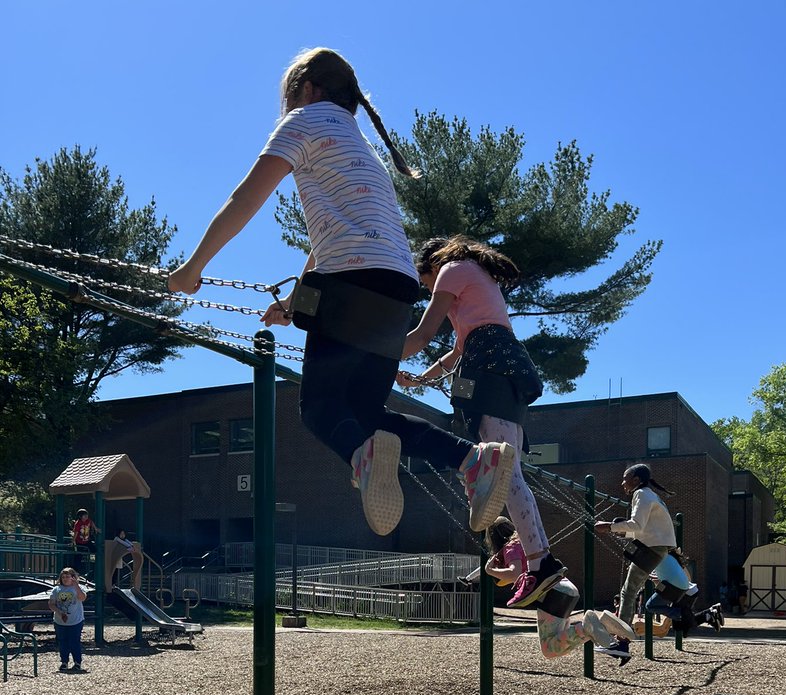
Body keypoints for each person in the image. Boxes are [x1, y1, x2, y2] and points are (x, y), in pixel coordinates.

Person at [167, 47, 514, 538]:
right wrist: (294, 304)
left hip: (351, 281)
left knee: (321, 409)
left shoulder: (304, 121)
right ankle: (473, 460)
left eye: (288, 98)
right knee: (369, 414)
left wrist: (192, 267)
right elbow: (330, 242)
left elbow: (245, 198)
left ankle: (363, 458)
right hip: (396, 287)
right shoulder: (359, 144)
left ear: (308, 90)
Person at [398, 235, 564, 608]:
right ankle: (539, 559)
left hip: (492, 374)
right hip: (504, 371)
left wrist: (378, 354)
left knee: (504, 472)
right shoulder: (473, 280)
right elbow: (456, 351)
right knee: (509, 472)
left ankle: (540, 561)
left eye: (425, 283)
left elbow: (423, 333)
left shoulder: (453, 271)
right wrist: (419, 378)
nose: (429, 290)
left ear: (431, 267)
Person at [483, 517, 632, 661]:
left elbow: (513, 573)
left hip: (551, 594)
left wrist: (489, 570)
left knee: (550, 649)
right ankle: (601, 621)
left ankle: (589, 625)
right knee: (561, 640)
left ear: (494, 539)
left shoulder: (510, 548)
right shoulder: (526, 542)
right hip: (564, 587)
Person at [594, 463, 678, 665]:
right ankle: (621, 640)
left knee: (628, 592)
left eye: (626, 478)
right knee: (630, 591)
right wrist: (619, 531)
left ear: (637, 480)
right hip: (658, 547)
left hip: (652, 549)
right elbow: (642, 528)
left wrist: (610, 526)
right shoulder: (651, 495)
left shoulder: (640, 494)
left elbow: (636, 525)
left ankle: (621, 643)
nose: (622, 482)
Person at [48, 567, 87, 673]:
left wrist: (76, 586)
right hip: (60, 620)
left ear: (73, 577)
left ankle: (77, 662)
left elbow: (82, 598)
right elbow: (51, 604)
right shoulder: (56, 589)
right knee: (62, 642)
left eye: (68, 577)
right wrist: (60, 612)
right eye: (63, 577)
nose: (65, 579)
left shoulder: (78, 588)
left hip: (76, 620)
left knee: (74, 641)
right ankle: (64, 661)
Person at [70, 508, 99, 578]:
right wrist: (73, 541)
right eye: (84, 515)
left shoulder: (88, 521)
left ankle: (95, 567)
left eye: (87, 515)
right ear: (80, 516)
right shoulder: (78, 523)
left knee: (95, 550)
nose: (86, 516)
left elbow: (92, 523)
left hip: (86, 541)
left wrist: (96, 529)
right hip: (79, 542)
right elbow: (76, 533)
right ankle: (75, 572)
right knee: (78, 557)